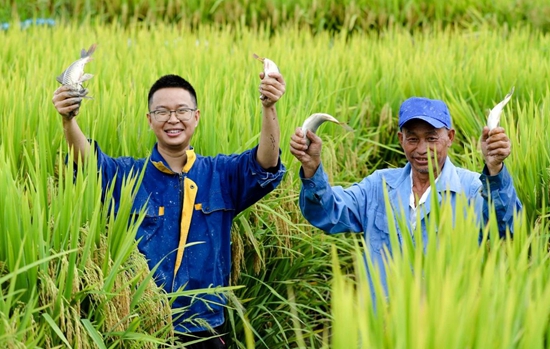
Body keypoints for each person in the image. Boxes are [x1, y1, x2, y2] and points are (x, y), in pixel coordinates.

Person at [52, 70, 286, 348]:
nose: (172, 119)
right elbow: (87, 163)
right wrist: (68, 120)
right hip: (144, 328)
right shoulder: (128, 176)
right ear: (150, 120)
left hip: (206, 330)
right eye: (162, 112)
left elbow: (265, 164)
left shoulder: (221, 174)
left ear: (196, 117)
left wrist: (269, 107)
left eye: (182, 111)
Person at [289, 96, 522, 297]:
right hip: (382, 328)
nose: (421, 149)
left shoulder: (472, 189)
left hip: (445, 330)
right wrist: (312, 168)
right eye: (413, 139)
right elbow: (328, 213)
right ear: (401, 140)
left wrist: (494, 170)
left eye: (431, 138)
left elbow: (510, 229)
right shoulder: (378, 186)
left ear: (449, 137)